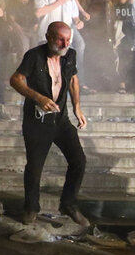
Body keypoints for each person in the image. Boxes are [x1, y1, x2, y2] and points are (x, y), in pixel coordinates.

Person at [10, 21, 89, 226]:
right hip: (37, 121)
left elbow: (72, 80)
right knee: (35, 167)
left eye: (68, 40)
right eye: (60, 39)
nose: (65, 44)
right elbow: (16, 80)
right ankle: (31, 208)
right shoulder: (34, 56)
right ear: (49, 37)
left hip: (60, 120)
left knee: (79, 160)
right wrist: (38, 98)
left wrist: (77, 106)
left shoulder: (70, 55)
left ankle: (69, 204)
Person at [33, 0, 93, 92]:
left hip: (66, 35)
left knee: (74, 54)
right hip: (49, 35)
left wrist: (78, 22)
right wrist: (59, 2)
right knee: (51, 64)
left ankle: (77, 85)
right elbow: (38, 13)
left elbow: (74, 15)